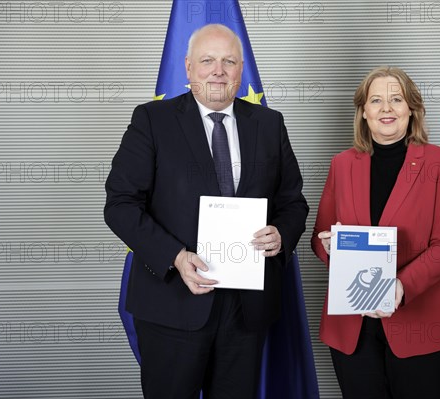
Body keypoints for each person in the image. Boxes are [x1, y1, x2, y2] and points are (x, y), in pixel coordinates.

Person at [104, 24, 308, 399]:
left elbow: (293, 202)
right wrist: (176, 257)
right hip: (172, 303)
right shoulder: (153, 120)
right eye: (207, 61)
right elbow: (119, 204)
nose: (218, 71)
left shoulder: (268, 123)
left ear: (240, 69)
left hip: (245, 311)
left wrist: (281, 232)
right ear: (187, 67)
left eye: (228, 61)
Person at [311, 66, 440, 399]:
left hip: (422, 322)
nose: (386, 109)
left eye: (396, 99)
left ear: (411, 109)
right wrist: (330, 248)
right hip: (353, 326)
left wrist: (400, 286)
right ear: (363, 112)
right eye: (376, 100)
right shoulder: (342, 164)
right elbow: (320, 237)